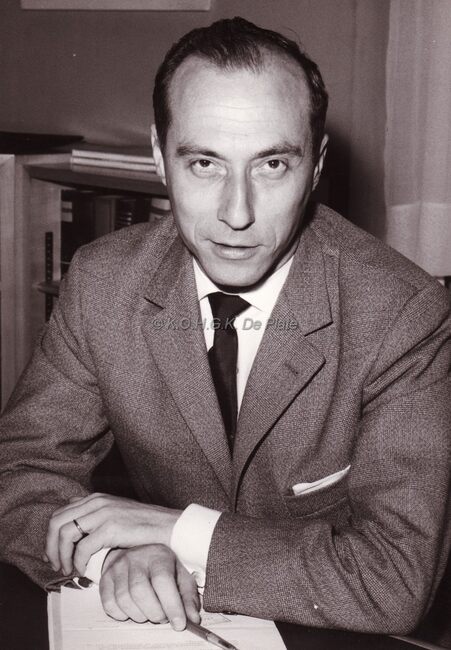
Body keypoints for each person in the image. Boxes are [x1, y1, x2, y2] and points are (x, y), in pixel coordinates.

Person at [0, 16, 450, 637]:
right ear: (159, 157)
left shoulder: (402, 315)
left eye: (272, 164)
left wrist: (177, 532)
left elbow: (396, 579)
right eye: (205, 163)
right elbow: (19, 471)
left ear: (316, 165)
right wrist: (116, 556)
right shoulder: (103, 283)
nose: (237, 214)